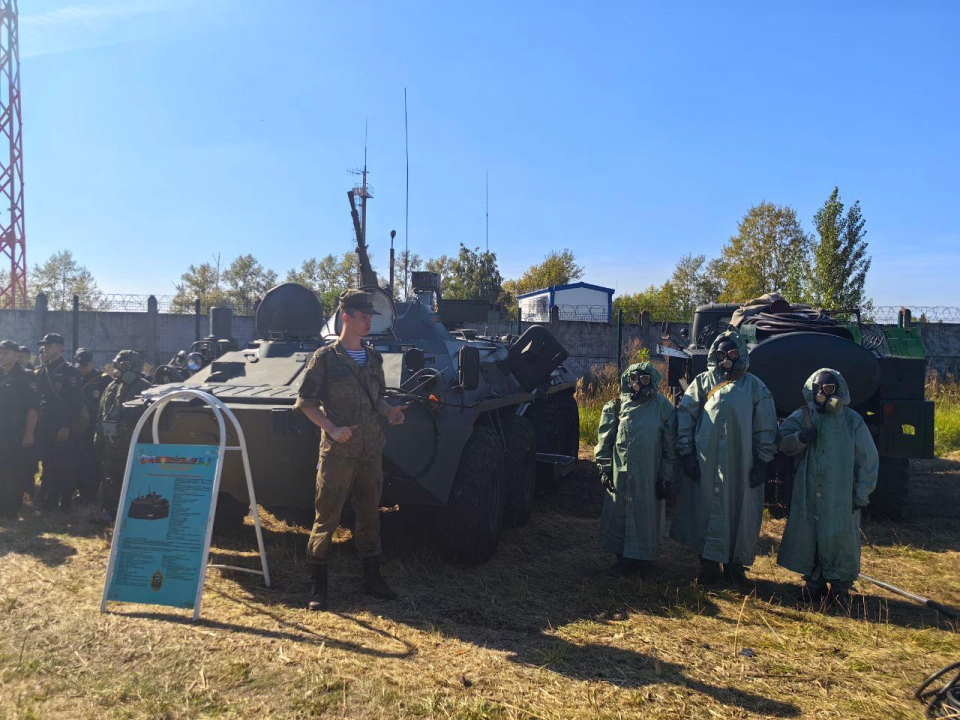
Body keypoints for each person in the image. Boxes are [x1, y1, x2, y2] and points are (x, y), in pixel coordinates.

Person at [296, 289, 407, 611]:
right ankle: (319, 588)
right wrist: (331, 429)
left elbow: (379, 398)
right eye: (363, 317)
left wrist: (390, 413)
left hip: (371, 449)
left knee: (369, 515)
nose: (369, 321)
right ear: (346, 317)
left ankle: (372, 579)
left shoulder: (373, 358)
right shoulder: (325, 358)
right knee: (326, 517)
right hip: (338, 452)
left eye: (370, 316)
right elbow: (306, 403)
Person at [670, 330, 777, 586]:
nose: (726, 358)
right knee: (706, 508)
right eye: (721, 353)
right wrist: (686, 454)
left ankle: (735, 565)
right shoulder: (703, 383)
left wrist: (762, 460)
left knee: (740, 511)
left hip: (741, 463)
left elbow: (766, 426)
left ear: (739, 353)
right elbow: (686, 417)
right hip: (706, 461)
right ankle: (707, 564)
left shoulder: (754, 386)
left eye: (731, 353)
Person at [776, 369, 879, 609]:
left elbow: (868, 459)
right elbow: (781, 441)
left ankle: (841, 587)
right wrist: (800, 437)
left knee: (840, 539)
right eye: (818, 390)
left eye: (829, 390)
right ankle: (814, 583)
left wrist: (861, 493)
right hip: (809, 491)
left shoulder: (852, 421)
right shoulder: (804, 416)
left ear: (838, 390)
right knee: (809, 535)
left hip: (840, 495)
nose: (822, 395)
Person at [594, 362, 678, 576]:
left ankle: (645, 559)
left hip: (648, 475)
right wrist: (605, 468)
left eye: (644, 379)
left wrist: (666, 477)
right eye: (634, 379)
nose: (638, 384)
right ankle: (622, 558)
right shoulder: (616, 406)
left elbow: (671, 447)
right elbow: (605, 440)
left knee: (646, 515)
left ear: (653, 380)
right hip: (620, 474)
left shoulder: (663, 407)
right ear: (627, 380)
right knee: (619, 513)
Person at [98, 350, 152, 518]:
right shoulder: (112, 386)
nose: (120, 369)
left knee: (135, 479)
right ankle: (110, 510)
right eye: (118, 365)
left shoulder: (145, 388)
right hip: (111, 442)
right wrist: (99, 435)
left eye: (125, 365)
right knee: (110, 477)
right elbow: (102, 411)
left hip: (134, 444)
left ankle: (135, 512)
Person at [34, 333, 83, 511]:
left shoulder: (70, 372)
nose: (46, 348)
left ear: (61, 347)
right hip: (44, 424)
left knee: (63, 463)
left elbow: (75, 403)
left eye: (50, 345)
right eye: (45, 345)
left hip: (60, 425)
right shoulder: (42, 370)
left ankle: (65, 501)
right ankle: (49, 499)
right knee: (48, 462)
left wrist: (66, 426)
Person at [0, 339, 37, 519]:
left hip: (15, 432)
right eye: (0, 352)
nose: (1, 356)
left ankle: (10, 510)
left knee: (12, 471)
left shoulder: (26, 376)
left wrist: (29, 433)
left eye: (5, 353)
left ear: (16, 355)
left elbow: (32, 407)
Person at [74, 349, 110, 505]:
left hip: (94, 427)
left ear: (92, 363)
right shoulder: (73, 377)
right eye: (78, 364)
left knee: (92, 463)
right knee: (77, 461)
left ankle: (90, 494)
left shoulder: (102, 380)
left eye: (84, 365)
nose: (81, 368)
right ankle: (79, 491)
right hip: (77, 428)